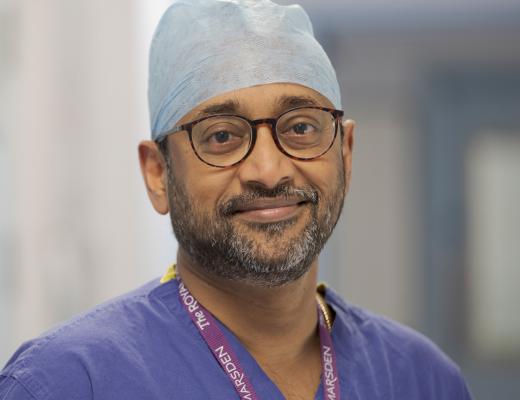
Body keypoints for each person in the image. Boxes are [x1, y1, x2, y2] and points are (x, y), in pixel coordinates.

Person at [0, 0, 473, 399]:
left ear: (345, 153)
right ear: (158, 173)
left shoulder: (420, 378)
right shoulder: (68, 382)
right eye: (222, 136)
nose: (268, 171)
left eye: (301, 128)